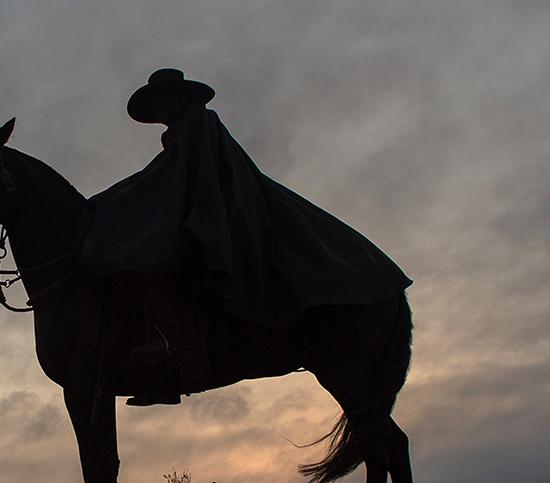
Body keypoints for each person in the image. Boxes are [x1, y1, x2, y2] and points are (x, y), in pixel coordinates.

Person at [77, 68, 412, 365]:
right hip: (210, 204)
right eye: (156, 102)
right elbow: (167, 177)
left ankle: (168, 337)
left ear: (181, 98)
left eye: (165, 98)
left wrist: (111, 202)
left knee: (150, 248)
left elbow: (166, 180)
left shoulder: (196, 124)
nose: (160, 105)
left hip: (216, 208)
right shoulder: (185, 133)